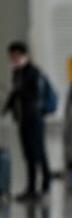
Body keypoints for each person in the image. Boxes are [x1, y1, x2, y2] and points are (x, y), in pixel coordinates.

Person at [2, 41, 51, 201]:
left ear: (24, 55)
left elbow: (35, 96)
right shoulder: (18, 73)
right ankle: (34, 188)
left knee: (37, 153)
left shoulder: (33, 72)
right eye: (11, 56)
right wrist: (5, 110)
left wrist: (20, 90)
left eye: (15, 56)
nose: (13, 59)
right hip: (22, 118)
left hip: (34, 118)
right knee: (30, 154)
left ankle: (41, 187)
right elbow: (14, 95)